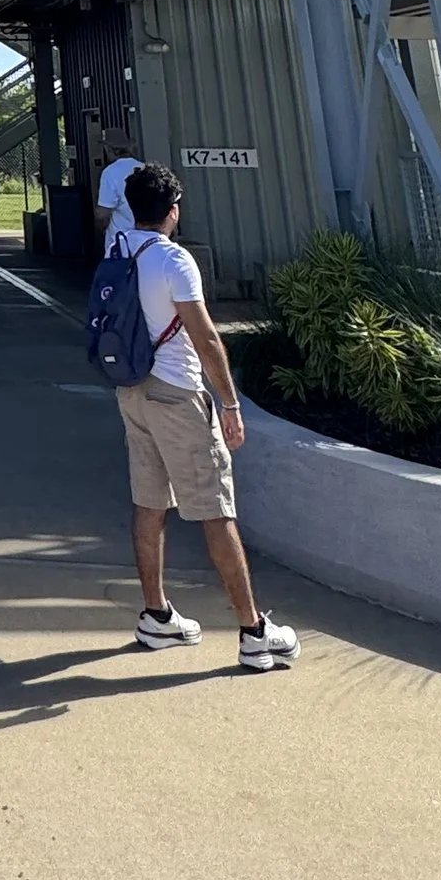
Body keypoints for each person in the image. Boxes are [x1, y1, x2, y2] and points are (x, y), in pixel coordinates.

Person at [106, 162, 299, 672]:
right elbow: (206, 336)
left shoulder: (117, 250)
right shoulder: (174, 260)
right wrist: (230, 403)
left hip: (132, 389)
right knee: (215, 509)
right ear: (173, 211)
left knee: (149, 503)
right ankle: (255, 631)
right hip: (178, 394)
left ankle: (155, 615)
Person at [96, 145, 149, 252]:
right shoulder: (145, 169)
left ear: (108, 149)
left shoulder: (110, 172)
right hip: (147, 242)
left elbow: (102, 214)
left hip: (121, 245)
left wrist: (101, 230)